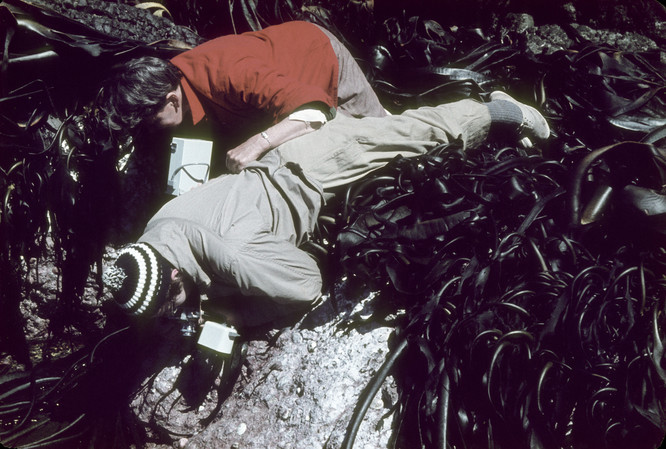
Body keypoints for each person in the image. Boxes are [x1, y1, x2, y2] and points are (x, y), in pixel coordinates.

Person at [103, 91, 550, 328]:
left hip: (314, 168)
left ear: (175, 275)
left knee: (418, 134)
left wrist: (239, 311)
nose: (168, 314)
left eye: (166, 303)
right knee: (396, 130)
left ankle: (502, 111)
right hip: (281, 166)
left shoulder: (233, 255)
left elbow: (306, 284)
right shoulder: (156, 229)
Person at [97, 21, 387, 173]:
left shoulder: (229, 74)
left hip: (318, 58)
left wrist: (256, 144)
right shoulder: (171, 88)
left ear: (172, 100)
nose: (148, 128)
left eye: (149, 120)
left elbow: (314, 110)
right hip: (266, 89)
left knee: (381, 137)